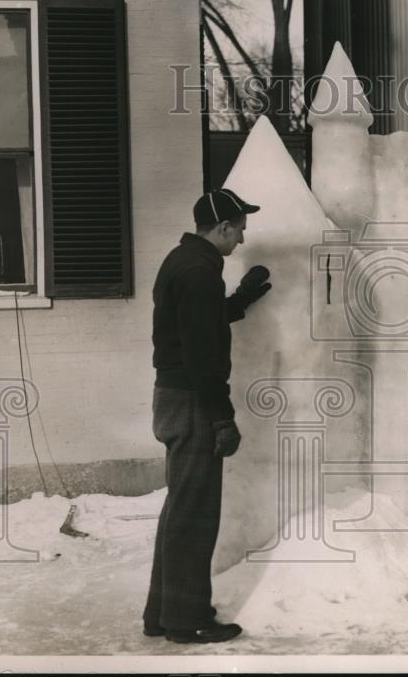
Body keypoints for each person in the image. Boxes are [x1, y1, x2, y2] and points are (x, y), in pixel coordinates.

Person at [142, 188, 272, 644]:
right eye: (238, 229)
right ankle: (187, 619)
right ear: (221, 227)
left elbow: (198, 324)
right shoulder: (199, 272)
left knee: (181, 509)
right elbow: (201, 353)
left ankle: (162, 612)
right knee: (194, 514)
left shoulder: (183, 261)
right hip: (194, 400)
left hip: (175, 397)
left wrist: (239, 300)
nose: (240, 239)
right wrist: (222, 417)